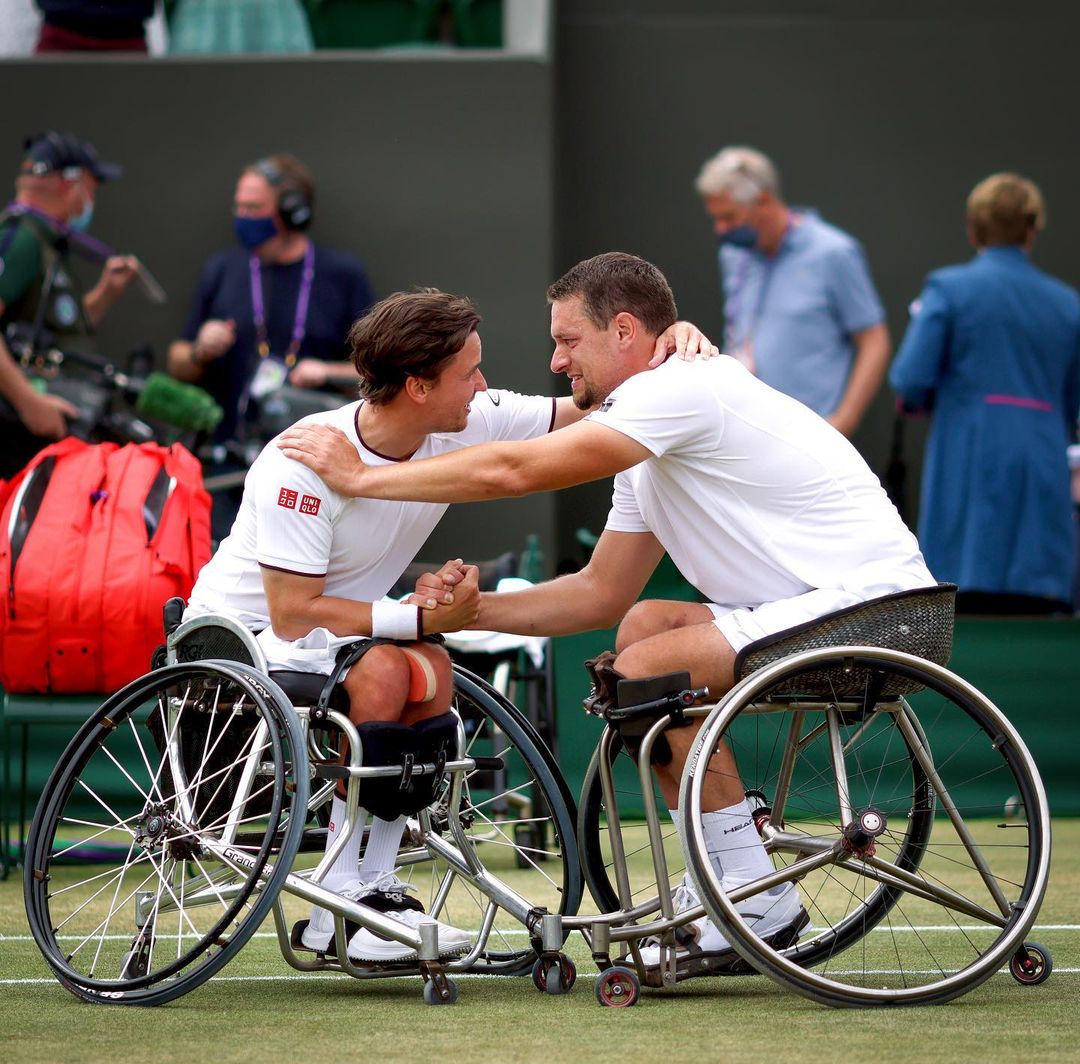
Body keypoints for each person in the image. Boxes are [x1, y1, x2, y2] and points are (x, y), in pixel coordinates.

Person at [279, 251, 937, 981]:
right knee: (644, 630)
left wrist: (364, 477)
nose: (556, 360)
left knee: (648, 668)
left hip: (875, 610)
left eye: (568, 341)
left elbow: (514, 469)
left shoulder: (680, 390)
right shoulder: (647, 427)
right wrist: (459, 615)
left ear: (624, 331)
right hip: (833, 610)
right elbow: (597, 594)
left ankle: (754, 896)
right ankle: (741, 866)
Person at [185, 285, 715, 964]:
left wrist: (668, 348)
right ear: (417, 386)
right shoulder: (301, 464)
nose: (484, 386)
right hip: (237, 642)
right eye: (469, 373)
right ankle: (341, 899)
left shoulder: (471, 418)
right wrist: (414, 615)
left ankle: (368, 888)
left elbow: (589, 409)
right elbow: (293, 613)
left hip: (340, 639)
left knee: (429, 664)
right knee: (390, 661)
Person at [889, 173, 1080, 615]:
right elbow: (1073, 400)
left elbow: (910, 380)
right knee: (1038, 613)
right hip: (1041, 468)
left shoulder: (949, 289)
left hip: (967, 462)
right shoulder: (1068, 304)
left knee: (964, 608)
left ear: (973, 229)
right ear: (1032, 229)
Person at [167, 152, 376, 536]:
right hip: (226, 465)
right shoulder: (223, 269)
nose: (242, 216)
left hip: (311, 468)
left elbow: (381, 373)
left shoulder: (341, 275)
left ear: (292, 212)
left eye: (253, 207)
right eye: (239, 206)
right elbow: (177, 362)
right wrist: (200, 349)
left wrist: (326, 371)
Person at [695, 146, 890, 437]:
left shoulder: (833, 253)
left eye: (729, 217)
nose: (721, 230)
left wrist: (844, 422)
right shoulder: (735, 255)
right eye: (716, 219)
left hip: (809, 436)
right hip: (744, 430)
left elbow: (874, 341)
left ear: (763, 201)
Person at [0, 131, 138, 479]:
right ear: (70, 183)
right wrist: (29, 403)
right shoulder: (21, 240)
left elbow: (58, 331)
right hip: (18, 433)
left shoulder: (47, 243)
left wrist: (106, 292)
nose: (91, 198)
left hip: (47, 423)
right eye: (91, 186)